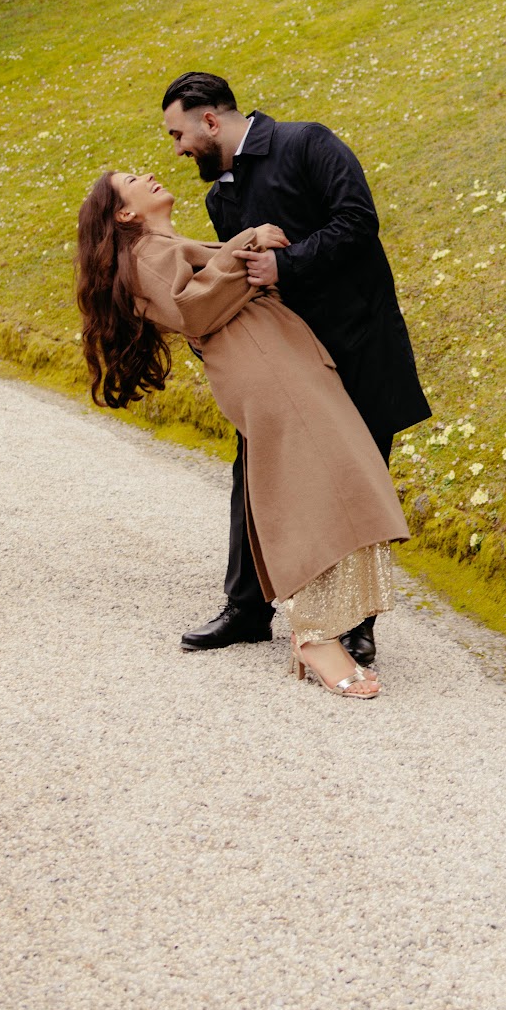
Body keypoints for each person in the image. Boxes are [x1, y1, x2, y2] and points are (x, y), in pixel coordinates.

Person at [74, 171, 408, 697]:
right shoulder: (143, 255)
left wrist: (241, 250)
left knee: (335, 479)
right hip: (263, 365)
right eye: (135, 180)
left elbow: (209, 288)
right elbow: (191, 310)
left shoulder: (170, 244)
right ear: (124, 215)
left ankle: (324, 627)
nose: (151, 174)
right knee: (314, 486)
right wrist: (248, 242)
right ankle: (314, 635)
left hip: (280, 358)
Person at [159, 72, 429, 663]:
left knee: (356, 483)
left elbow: (358, 222)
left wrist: (289, 266)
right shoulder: (219, 198)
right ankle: (247, 609)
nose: (177, 149)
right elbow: (243, 284)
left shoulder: (308, 143)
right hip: (283, 364)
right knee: (253, 474)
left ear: (210, 120)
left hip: (357, 346)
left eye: (179, 134)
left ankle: (358, 623)